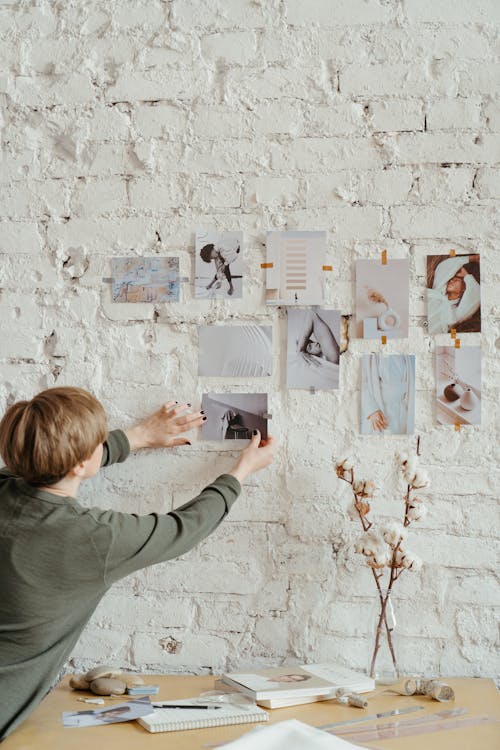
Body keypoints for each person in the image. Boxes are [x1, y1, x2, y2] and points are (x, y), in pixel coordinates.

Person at [0, 387, 274, 740]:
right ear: (82, 462)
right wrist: (241, 471)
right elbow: (185, 527)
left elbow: (49, 461)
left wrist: (139, 436)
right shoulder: (95, 537)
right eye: (98, 442)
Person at [361, 354, 415, 435]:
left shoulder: (408, 353)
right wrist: (372, 410)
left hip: (402, 411)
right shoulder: (372, 350)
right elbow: (362, 382)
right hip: (378, 412)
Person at [427, 254, 480, 334]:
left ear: (464, 289)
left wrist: (466, 275)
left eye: (457, 279)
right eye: (451, 278)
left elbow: (477, 293)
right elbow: (443, 267)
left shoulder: (455, 313)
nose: (452, 280)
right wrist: (472, 258)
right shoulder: (438, 291)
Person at [287, 310, 340, 390]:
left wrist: (300, 350)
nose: (315, 343)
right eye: (310, 347)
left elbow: (311, 314)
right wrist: (300, 352)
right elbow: (312, 316)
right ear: (308, 356)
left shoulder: (332, 357)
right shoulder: (332, 358)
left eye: (312, 342)